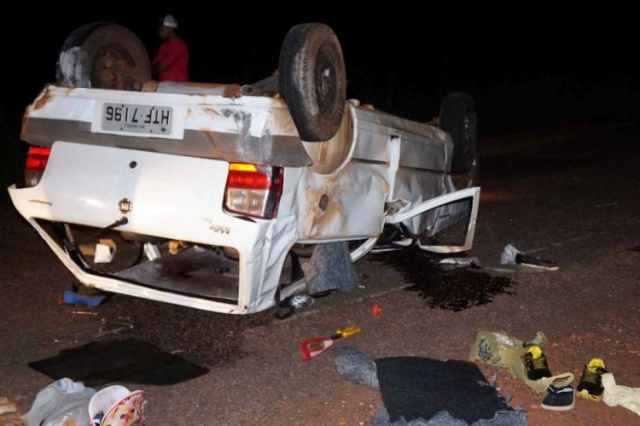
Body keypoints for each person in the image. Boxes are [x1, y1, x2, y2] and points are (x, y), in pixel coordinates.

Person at [153, 14, 189, 82]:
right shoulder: (163, 46)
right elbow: (153, 66)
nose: (158, 32)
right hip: (164, 86)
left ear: (170, 29)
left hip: (177, 88)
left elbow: (160, 68)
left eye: (161, 29)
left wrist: (157, 67)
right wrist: (157, 67)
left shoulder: (178, 45)